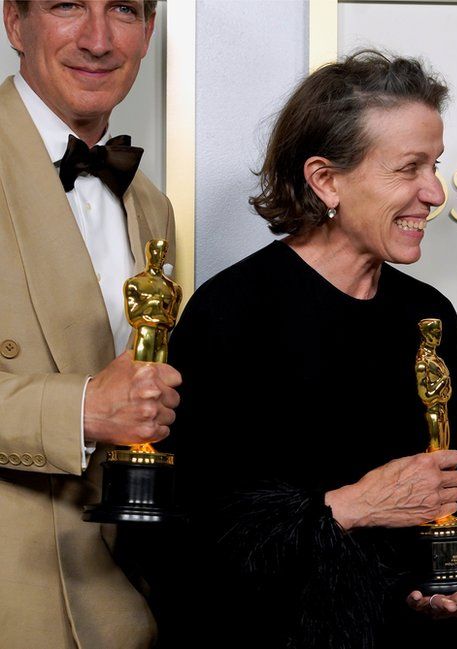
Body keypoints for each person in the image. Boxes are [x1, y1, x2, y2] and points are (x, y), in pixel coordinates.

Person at [155, 51, 457, 649]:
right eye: (409, 168)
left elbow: (427, 517)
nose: (434, 192)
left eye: (436, 165)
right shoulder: (231, 312)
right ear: (326, 180)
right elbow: (190, 536)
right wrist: (353, 506)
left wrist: (440, 595)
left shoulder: (427, 314)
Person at [0, 2, 178, 647]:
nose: (99, 40)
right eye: (69, 5)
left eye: (124, 10)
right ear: (15, 23)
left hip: (120, 599)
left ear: (149, 33)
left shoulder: (150, 205)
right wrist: (81, 409)